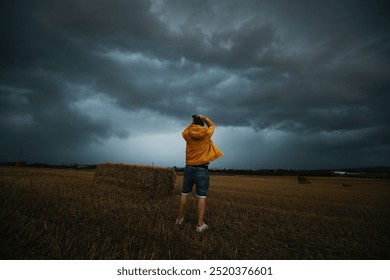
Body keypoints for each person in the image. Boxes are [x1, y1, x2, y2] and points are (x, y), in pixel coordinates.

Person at [176, 114, 224, 232]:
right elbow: (212, 125)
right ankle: (199, 225)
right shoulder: (207, 133)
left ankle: (179, 219)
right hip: (202, 169)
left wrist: (191, 122)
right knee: (202, 196)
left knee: (184, 193)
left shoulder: (187, 134)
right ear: (202, 125)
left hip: (189, 168)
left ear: (193, 124)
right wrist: (204, 117)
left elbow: (184, 131)